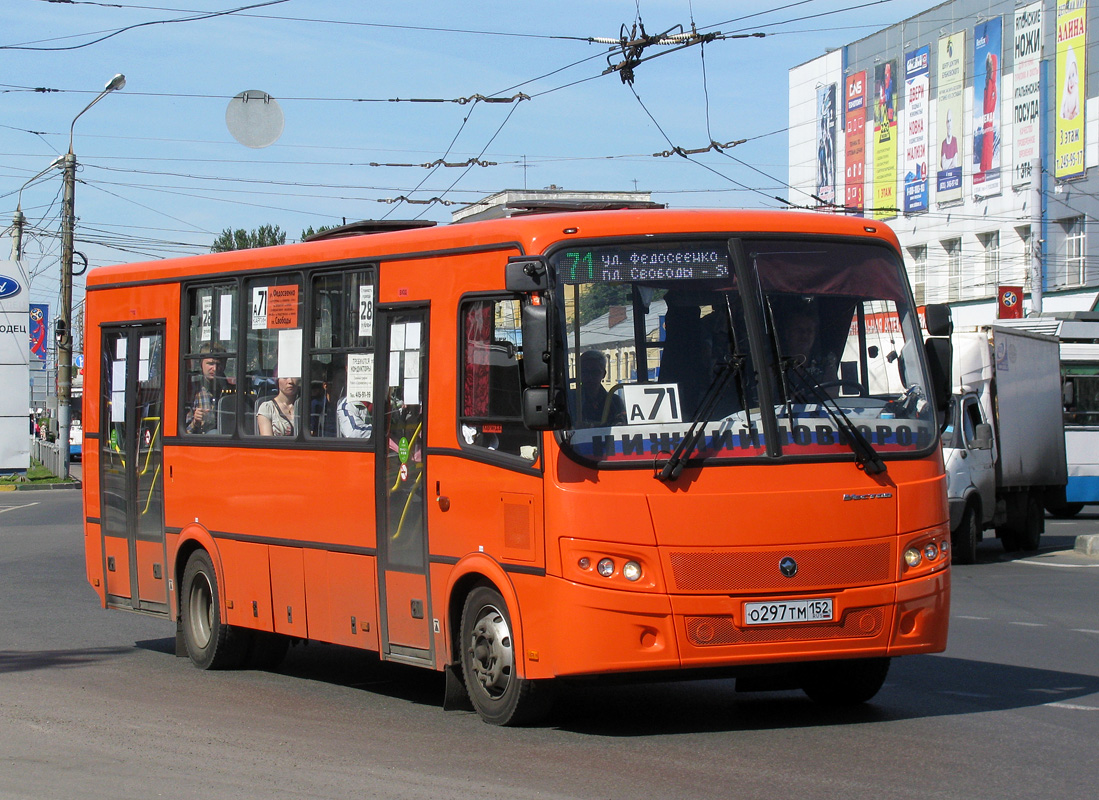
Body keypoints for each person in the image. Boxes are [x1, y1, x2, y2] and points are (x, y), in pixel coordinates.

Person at [185, 343, 227, 434]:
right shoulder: (192, 390)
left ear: (224, 366)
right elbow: (183, 432)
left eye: (218, 364)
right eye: (210, 364)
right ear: (201, 364)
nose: (214, 368)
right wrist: (196, 421)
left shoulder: (230, 390)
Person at [578, 350, 626, 426]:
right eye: (585, 372)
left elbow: (621, 426)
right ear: (579, 373)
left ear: (603, 374)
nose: (590, 377)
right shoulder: (571, 400)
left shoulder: (614, 401)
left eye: (595, 372)